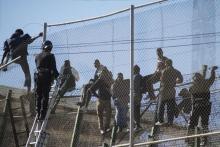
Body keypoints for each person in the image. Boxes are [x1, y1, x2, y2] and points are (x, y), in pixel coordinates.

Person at [187, 66, 217, 144]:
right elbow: (212, 79)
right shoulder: (203, 84)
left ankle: (190, 139)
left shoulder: (192, 86)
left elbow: (209, 80)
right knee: (204, 124)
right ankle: (203, 140)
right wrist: (212, 71)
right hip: (205, 105)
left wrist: (208, 71)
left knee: (192, 123)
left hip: (197, 106)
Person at [35, 40, 59, 120]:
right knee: (45, 96)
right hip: (46, 77)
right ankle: (42, 114)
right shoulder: (51, 56)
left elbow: (38, 66)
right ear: (50, 47)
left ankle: (38, 113)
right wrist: (57, 77)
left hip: (38, 77)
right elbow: (53, 68)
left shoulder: (37, 56)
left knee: (39, 96)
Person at [156, 59, 183, 126]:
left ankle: (160, 121)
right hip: (171, 90)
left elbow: (162, 79)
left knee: (161, 106)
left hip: (164, 90)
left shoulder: (164, 71)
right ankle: (170, 121)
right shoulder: (176, 71)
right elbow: (181, 80)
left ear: (166, 64)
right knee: (170, 107)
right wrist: (174, 82)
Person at [88, 66, 113, 134]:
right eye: (104, 73)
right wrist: (98, 96)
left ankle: (105, 128)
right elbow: (91, 89)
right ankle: (103, 128)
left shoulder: (108, 80)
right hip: (102, 99)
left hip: (106, 99)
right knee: (102, 114)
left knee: (106, 114)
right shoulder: (101, 80)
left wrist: (97, 96)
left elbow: (91, 90)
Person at [133, 65, 143, 130]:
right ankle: (137, 124)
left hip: (135, 94)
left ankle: (136, 125)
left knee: (134, 110)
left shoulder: (135, 76)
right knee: (136, 109)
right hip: (138, 94)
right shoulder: (139, 76)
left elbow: (135, 86)